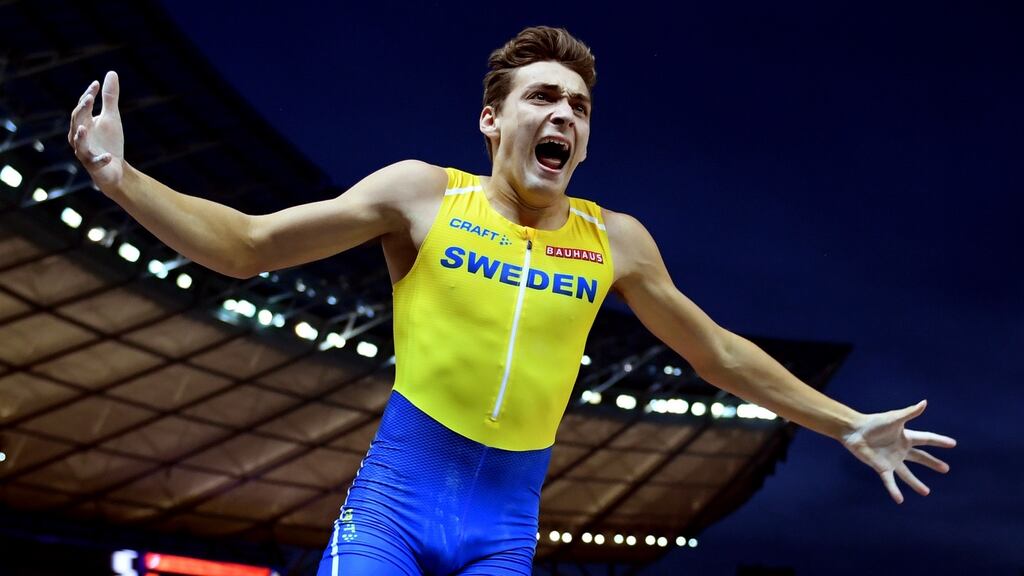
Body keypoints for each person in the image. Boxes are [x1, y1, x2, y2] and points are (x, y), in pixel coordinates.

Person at [68, 26, 955, 576]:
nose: (564, 115)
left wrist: (844, 423)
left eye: (579, 106)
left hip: (503, 532)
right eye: (543, 98)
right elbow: (247, 246)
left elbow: (716, 353)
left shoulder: (616, 241)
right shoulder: (422, 196)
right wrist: (119, 178)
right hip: (393, 512)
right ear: (492, 120)